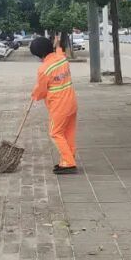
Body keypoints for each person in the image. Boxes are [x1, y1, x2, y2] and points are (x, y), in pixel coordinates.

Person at [30, 35, 78, 174]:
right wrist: (57, 45)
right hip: (71, 102)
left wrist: (34, 95)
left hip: (59, 106)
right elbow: (59, 52)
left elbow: (41, 91)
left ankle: (69, 163)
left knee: (55, 133)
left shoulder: (44, 69)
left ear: (39, 54)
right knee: (68, 132)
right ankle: (68, 159)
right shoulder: (62, 59)